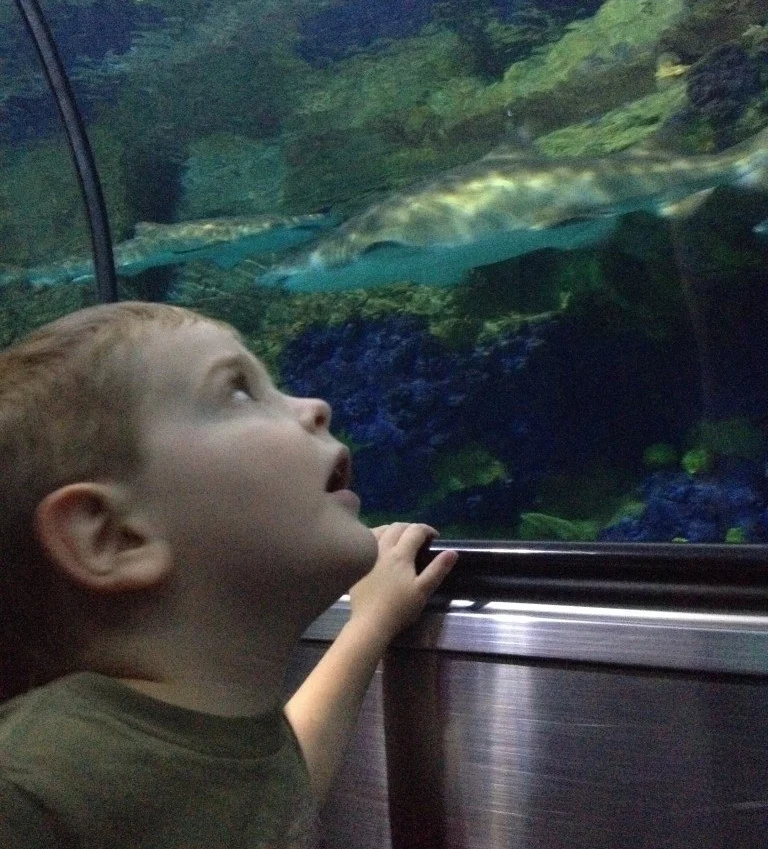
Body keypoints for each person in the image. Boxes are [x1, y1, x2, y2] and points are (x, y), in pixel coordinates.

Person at [0, 300, 459, 848]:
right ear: (114, 536)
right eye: (239, 390)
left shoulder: (225, 726)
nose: (316, 406)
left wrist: (371, 625)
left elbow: (279, 803)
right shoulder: (32, 790)